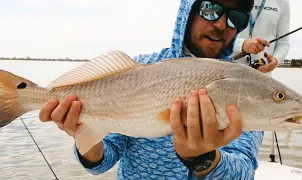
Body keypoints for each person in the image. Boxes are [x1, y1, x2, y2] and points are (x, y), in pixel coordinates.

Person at [39, 0, 264, 179]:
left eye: (236, 18)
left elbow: (243, 171)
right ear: (188, 10)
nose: (221, 24)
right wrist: (81, 131)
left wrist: (203, 159)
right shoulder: (138, 68)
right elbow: (103, 162)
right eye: (210, 9)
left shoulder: (244, 83)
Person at [232, 0, 290, 74]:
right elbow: (216, 36)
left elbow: (283, 43)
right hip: (229, 72)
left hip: (263, 77)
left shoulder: (283, 2)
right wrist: (242, 44)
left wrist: (276, 59)